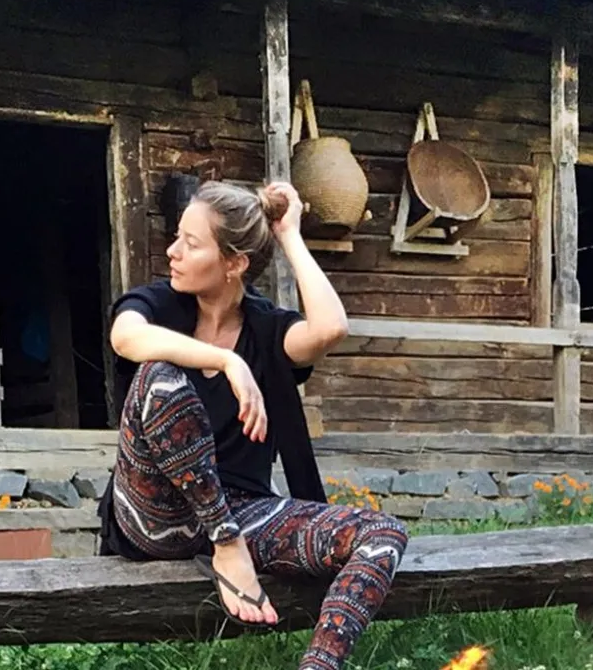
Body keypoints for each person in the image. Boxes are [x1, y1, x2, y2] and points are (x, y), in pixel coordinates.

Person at [95, 179, 409, 670]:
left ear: (234, 263)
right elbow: (126, 339)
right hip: (155, 515)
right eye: (177, 238)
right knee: (160, 376)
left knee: (382, 533)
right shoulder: (158, 304)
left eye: (191, 243)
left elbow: (330, 328)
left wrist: (289, 235)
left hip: (245, 510)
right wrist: (226, 361)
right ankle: (225, 543)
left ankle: (319, 665)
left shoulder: (266, 329)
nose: (173, 252)